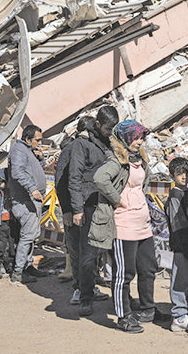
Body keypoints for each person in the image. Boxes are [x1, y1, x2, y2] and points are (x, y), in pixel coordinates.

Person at [92, 119, 157, 333]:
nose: (140, 141)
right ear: (126, 137)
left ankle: (148, 309)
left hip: (143, 225)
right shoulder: (116, 160)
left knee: (147, 269)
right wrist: (117, 199)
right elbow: (100, 179)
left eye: (142, 137)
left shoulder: (139, 159)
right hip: (124, 225)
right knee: (124, 274)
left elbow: (142, 185)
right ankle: (124, 316)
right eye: (137, 137)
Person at [66, 106, 118, 316]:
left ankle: (120, 297)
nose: (110, 132)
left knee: (117, 254)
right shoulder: (81, 144)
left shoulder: (112, 144)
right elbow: (74, 178)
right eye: (107, 129)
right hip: (89, 206)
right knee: (88, 255)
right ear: (98, 124)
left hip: (110, 206)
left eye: (113, 129)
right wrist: (76, 209)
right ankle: (86, 297)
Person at [55, 116, 110, 305]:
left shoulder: (98, 147)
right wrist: (67, 210)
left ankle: (89, 285)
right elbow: (61, 182)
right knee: (77, 249)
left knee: (90, 250)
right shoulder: (72, 149)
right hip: (76, 209)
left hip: (90, 207)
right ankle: (79, 288)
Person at [7, 125, 48, 284]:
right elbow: (17, 172)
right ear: (27, 138)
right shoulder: (19, 150)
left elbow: (35, 170)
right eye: (37, 140)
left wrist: (40, 159)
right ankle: (18, 272)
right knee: (27, 237)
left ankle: (28, 266)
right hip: (25, 201)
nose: (39, 142)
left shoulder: (28, 151)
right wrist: (32, 189)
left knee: (31, 237)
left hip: (32, 201)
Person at [164, 157, 188, 333]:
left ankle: (184, 310)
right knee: (180, 278)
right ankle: (179, 315)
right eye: (179, 174)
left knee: (187, 279)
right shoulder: (175, 196)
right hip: (181, 243)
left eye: (187, 173)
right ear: (172, 176)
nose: (184, 177)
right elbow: (178, 224)